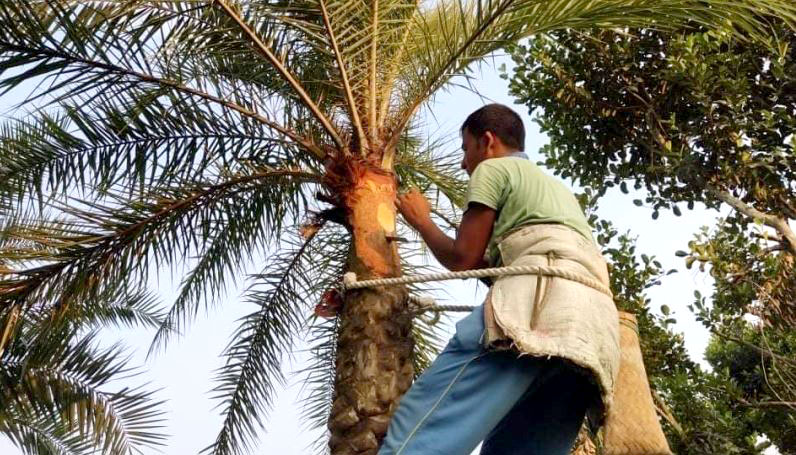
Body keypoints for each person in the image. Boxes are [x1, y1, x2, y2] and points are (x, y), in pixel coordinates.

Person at [379, 104, 620, 455]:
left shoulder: (494, 169)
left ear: (487, 141)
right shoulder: (557, 190)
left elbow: (464, 260)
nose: (464, 163)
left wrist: (422, 220)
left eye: (465, 148)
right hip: (591, 334)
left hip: (536, 310)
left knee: (422, 431)